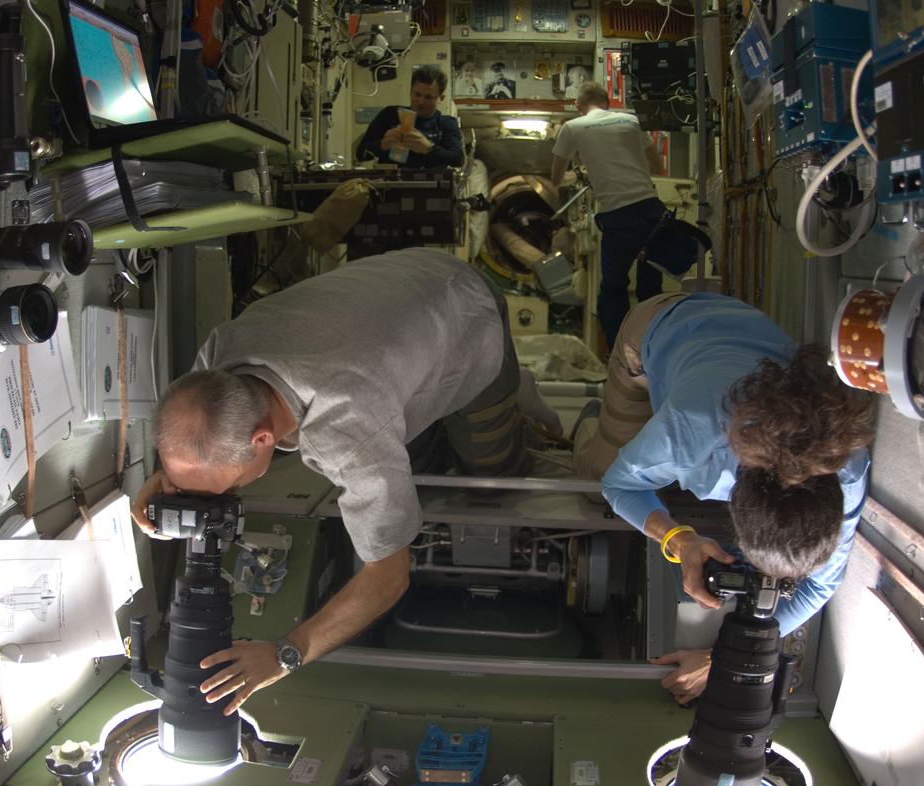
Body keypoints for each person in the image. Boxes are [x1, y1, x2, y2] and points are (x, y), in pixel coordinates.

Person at [131, 249, 538, 715]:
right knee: (417, 469)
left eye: (220, 489)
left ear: (263, 440)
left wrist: (284, 655)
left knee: (491, 472)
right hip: (396, 297)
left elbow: (388, 574)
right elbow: (192, 428)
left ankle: (521, 397)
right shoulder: (216, 364)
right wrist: (166, 478)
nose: (207, 501)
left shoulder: (346, 427)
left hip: (466, 310)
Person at [574, 292, 875, 703]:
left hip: (738, 335)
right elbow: (618, 485)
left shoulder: (845, 466)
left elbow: (821, 586)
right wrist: (678, 539)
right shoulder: (690, 431)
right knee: (595, 474)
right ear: (736, 504)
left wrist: (723, 655)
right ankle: (584, 422)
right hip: (660, 327)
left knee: (651, 456)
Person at [551, 82, 666, 350]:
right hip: (651, 210)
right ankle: (655, 349)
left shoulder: (573, 127)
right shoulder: (632, 121)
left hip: (618, 215)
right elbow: (657, 167)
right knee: (651, 288)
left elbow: (556, 179)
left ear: (578, 105)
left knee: (613, 289)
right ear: (608, 103)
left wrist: (584, 174)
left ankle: (620, 353)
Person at [356, 67, 463, 168]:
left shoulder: (446, 123)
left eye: (428, 97)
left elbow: (458, 159)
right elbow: (360, 154)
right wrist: (382, 144)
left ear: (441, 98)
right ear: (410, 91)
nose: (421, 101)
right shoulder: (390, 115)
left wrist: (429, 148)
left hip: (432, 181)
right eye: (417, 94)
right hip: (390, 180)